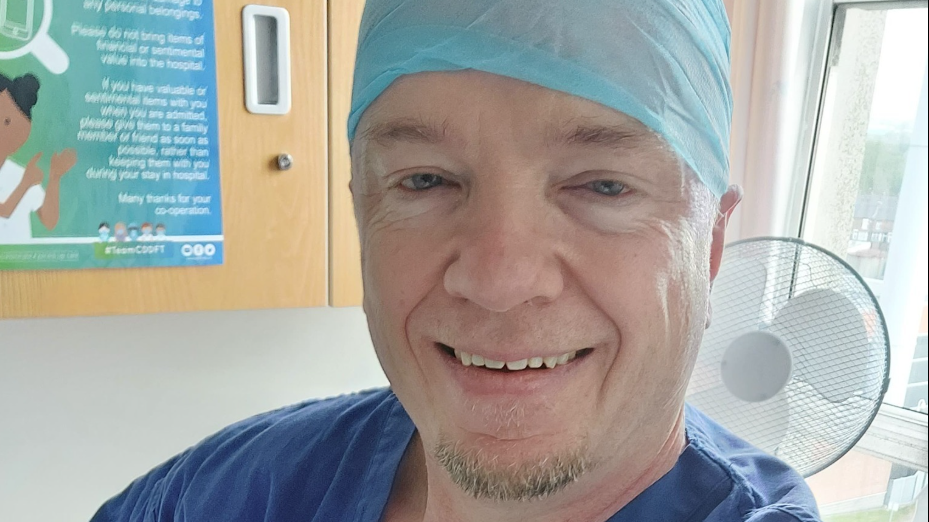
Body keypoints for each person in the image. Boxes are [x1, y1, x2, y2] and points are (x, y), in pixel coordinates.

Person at [91, 1, 822, 521]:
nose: (498, 282)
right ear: (361, 214)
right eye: (425, 181)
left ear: (712, 242)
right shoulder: (245, 487)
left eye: (602, 185)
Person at [0, 72, 76, 245]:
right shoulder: (25, 178)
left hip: (24, 260)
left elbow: (49, 221)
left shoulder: (19, 173)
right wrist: (25, 184)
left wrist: (55, 178)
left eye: (7, 122)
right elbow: (4, 210)